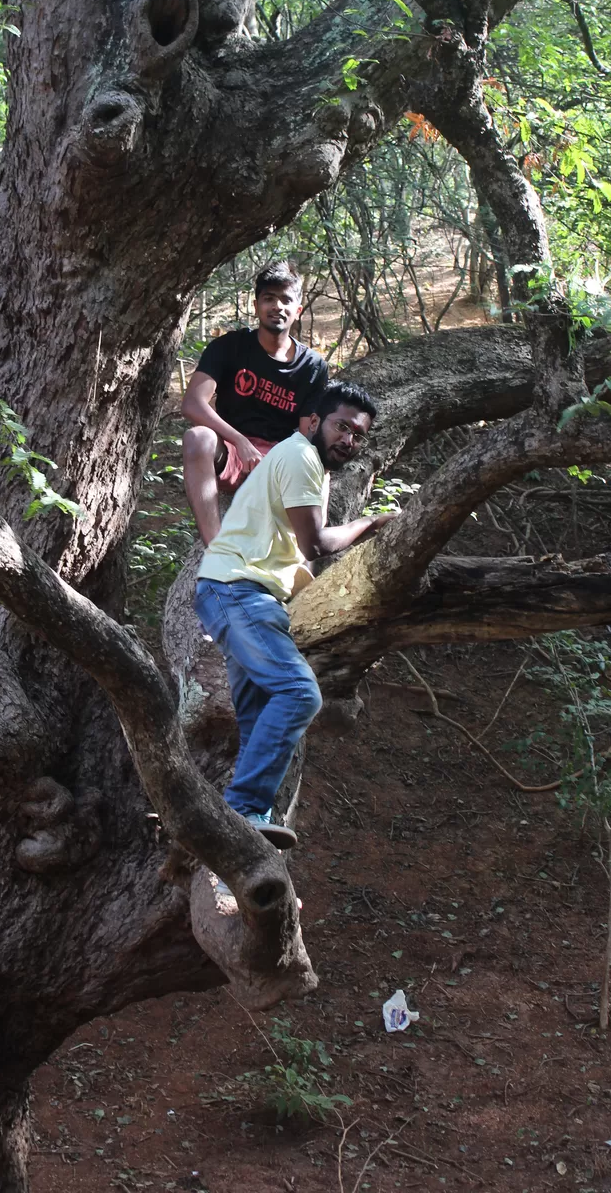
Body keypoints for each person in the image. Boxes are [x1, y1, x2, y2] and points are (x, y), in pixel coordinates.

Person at [193, 380, 394, 878]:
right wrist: (373, 523)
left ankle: (222, 844)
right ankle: (242, 811)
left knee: (258, 715)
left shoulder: (299, 462)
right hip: (238, 590)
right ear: (310, 422)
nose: (349, 439)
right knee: (300, 694)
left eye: (359, 434)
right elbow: (319, 543)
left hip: (239, 594)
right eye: (341, 426)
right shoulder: (301, 455)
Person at [181, 259, 328, 546]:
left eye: (286, 299)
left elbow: (306, 435)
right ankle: (215, 548)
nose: (277, 306)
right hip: (233, 454)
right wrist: (239, 441)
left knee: (319, 459)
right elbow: (192, 404)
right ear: (256, 305)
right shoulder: (230, 347)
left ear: (297, 311)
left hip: (280, 462)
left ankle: (310, 546)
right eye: (269, 298)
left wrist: (277, 464)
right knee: (197, 438)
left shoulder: (312, 366)